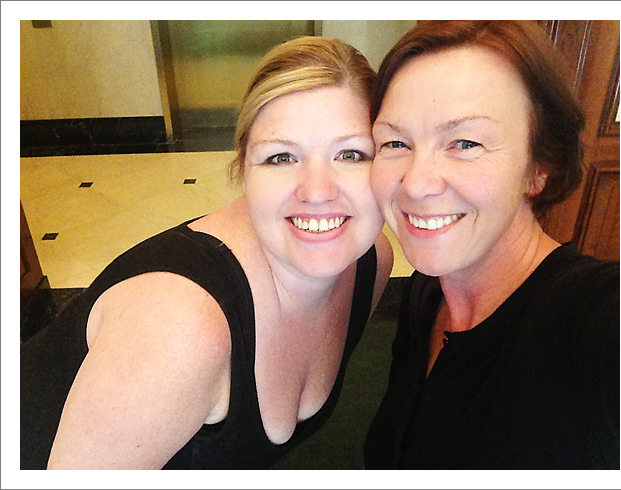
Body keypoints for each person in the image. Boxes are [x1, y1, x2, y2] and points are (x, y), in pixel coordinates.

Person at [20, 36, 393, 470]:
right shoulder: (180, 329)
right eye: (280, 157)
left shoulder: (371, 263)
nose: (317, 191)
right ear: (243, 170)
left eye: (351, 154)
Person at [363, 21, 619, 469]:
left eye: (465, 143)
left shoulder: (595, 318)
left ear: (539, 166)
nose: (416, 183)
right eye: (395, 142)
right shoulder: (428, 291)